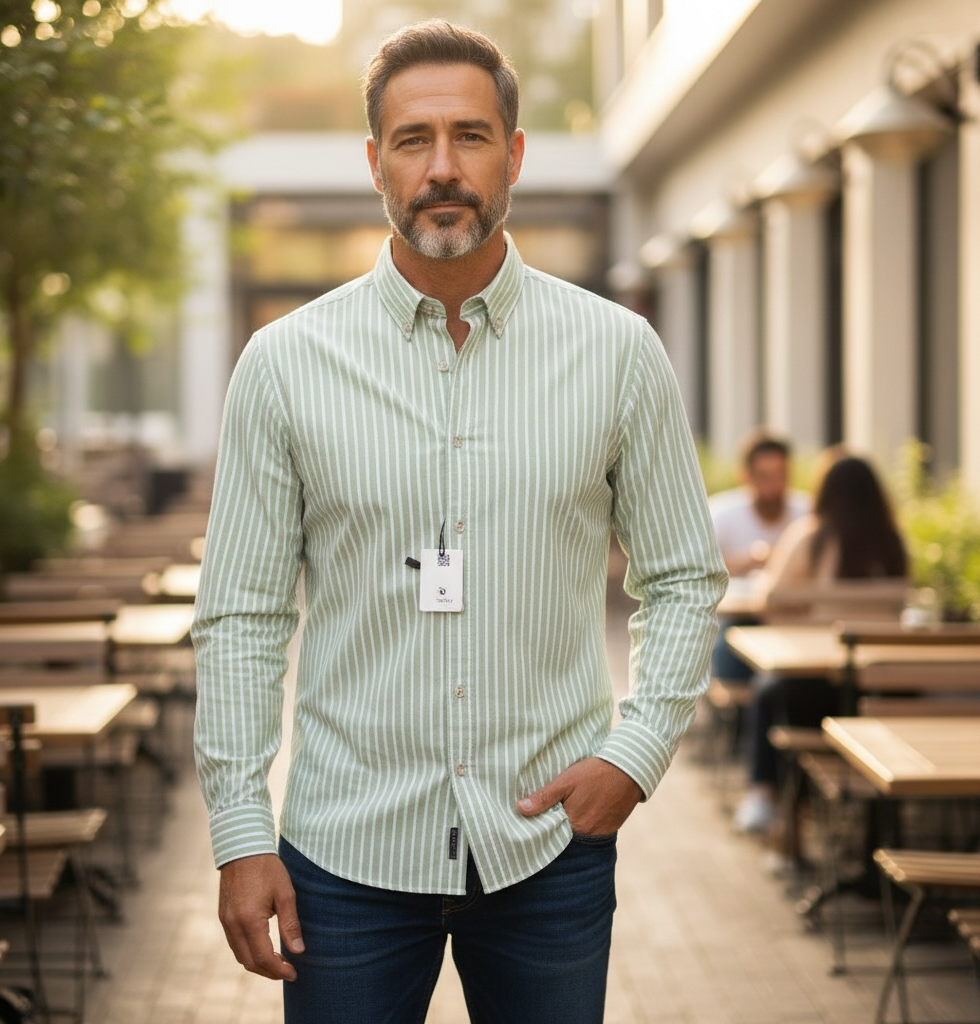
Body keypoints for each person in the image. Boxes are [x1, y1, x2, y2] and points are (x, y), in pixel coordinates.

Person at [192, 20, 727, 1024]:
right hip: (341, 858)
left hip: (548, 853)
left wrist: (637, 751)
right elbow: (242, 614)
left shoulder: (618, 353)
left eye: (471, 136)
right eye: (413, 139)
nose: (443, 167)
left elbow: (683, 575)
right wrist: (239, 831)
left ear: (514, 154)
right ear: (374, 164)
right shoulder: (283, 364)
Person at [731, 454, 909, 834]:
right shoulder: (893, 541)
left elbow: (767, 600)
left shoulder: (811, 537)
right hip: (887, 696)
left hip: (819, 696)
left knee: (767, 691)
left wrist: (803, 610)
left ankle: (766, 797)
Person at [709, 430, 810, 681]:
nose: (772, 487)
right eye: (764, 477)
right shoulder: (720, 514)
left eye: (780, 476)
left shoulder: (808, 514)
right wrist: (746, 561)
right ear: (745, 476)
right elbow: (699, 570)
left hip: (796, 625)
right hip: (735, 624)